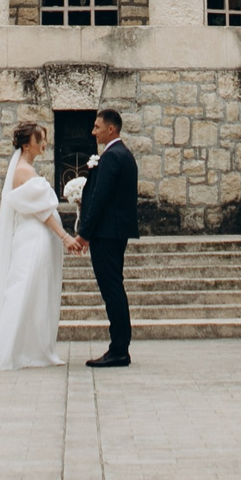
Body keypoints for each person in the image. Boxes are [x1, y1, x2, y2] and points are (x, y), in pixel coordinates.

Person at [0, 119, 72, 370]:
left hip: (34, 237)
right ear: (27, 145)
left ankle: (29, 348)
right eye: (40, 139)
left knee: (33, 292)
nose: (44, 143)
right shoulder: (24, 171)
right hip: (33, 239)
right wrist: (65, 236)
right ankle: (13, 350)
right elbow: (43, 211)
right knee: (23, 290)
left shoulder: (26, 168)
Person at [73, 107, 139, 367]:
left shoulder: (112, 156)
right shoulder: (123, 154)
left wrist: (84, 234)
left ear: (111, 128)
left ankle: (119, 349)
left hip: (107, 234)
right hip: (114, 232)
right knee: (114, 289)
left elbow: (101, 199)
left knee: (112, 290)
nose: (93, 131)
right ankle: (120, 347)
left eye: (97, 127)